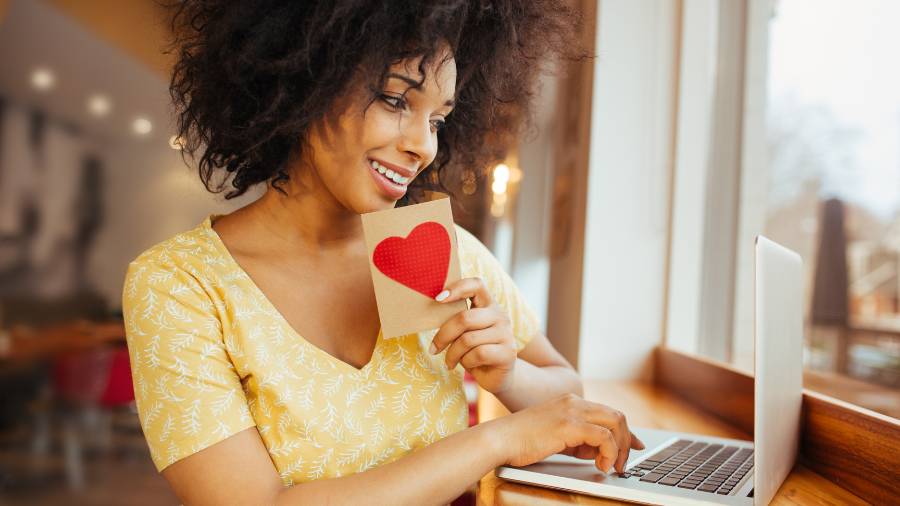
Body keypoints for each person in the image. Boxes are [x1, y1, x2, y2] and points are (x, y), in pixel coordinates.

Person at [122, 1, 644, 504]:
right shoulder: (179, 285)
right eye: (396, 101)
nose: (424, 146)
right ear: (306, 81)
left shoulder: (440, 251)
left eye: (438, 119)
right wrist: (498, 439)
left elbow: (564, 387)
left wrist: (508, 375)